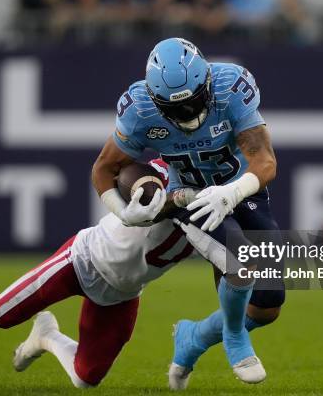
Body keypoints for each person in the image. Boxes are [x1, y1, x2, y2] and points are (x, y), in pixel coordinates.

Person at [0, 160, 201, 389]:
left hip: (123, 291)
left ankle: (47, 337)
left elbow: (234, 256)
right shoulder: (171, 171)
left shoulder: (227, 211)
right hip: (83, 260)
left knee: (85, 378)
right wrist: (177, 198)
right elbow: (136, 179)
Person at [90, 37, 284, 389]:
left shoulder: (230, 85)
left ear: (207, 83)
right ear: (156, 99)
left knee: (269, 303)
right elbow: (104, 170)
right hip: (188, 196)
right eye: (174, 107)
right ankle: (236, 340)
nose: (186, 113)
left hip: (239, 188)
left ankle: (192, 337)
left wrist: (230, 193)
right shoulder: (139, 108)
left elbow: (265, 162)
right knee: (239, 261)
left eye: (193, 101)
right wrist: (123, 212)